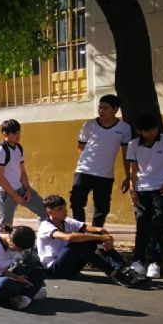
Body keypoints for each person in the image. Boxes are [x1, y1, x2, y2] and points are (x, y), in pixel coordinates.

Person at [36, 195, 140, 285]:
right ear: (50, 211)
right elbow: (69, 237)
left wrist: (103, 233)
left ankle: (121, 267)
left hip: (71, 266)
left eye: (65, 208)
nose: (65, 211)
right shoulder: (45, 226)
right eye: (60, 209)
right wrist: (99, 237)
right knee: (76, 243)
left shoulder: (67, 221)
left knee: (94, 236)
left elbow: (91, 229)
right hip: (56, 269)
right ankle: (113, 272)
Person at [70, 94, 132, 227]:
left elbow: (126, 154)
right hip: (84, 172)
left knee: (102, 208)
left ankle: (95, 236)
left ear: (115, 109)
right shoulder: (89, 125)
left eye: (105, 108)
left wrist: (128, 176)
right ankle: (79, 232)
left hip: (105, 175)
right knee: (76, 203)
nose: (101, 111)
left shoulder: (124, 128)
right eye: (100, 107)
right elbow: (81, 147)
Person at [126, 113, 163, 279]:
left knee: (158, 227)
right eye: (148, 130)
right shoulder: (133, 145)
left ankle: (155, 263)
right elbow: (133, 170)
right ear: (140, 131)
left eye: (154, 129)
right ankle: (138, 261)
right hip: (142, 190)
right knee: (142, 227)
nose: (152, 133)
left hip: (161, 191)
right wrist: (133, 191)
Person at [0, 119, 48, 228]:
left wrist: (28, 190)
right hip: (5, 192)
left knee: (45, 210)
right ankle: (2, 245)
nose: (18, 135)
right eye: (15, 133)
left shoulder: (19, 148)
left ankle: (43, 240)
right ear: (5, 134)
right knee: (5, 227)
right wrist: (15, 195)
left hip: (20, 188)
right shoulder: (0, 151)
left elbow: (23, 172)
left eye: (19, 132)